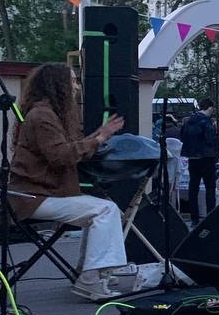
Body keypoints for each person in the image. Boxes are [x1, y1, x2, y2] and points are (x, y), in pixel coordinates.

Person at [8, 64, 131, 300]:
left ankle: (89, 272)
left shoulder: (45, 113)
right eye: (73, 81)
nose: (76, 87)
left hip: (41, 194)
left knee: (104, 210)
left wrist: (99, 134)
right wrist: (100, 138)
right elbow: (61, 155)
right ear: (58, 86)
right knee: (105, 210)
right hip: (35, 197)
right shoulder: (42, 116)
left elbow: (67, 148)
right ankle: (91, 278)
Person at [180, 98, 219, 225]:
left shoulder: (188, 120)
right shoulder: (206, 121)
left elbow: (182, 137)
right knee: (210, 188)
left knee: (193, 188)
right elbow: (210, 139)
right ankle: (210, 217)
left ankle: (194, 218)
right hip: (206, 157)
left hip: (192, 158)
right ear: (210, 108)